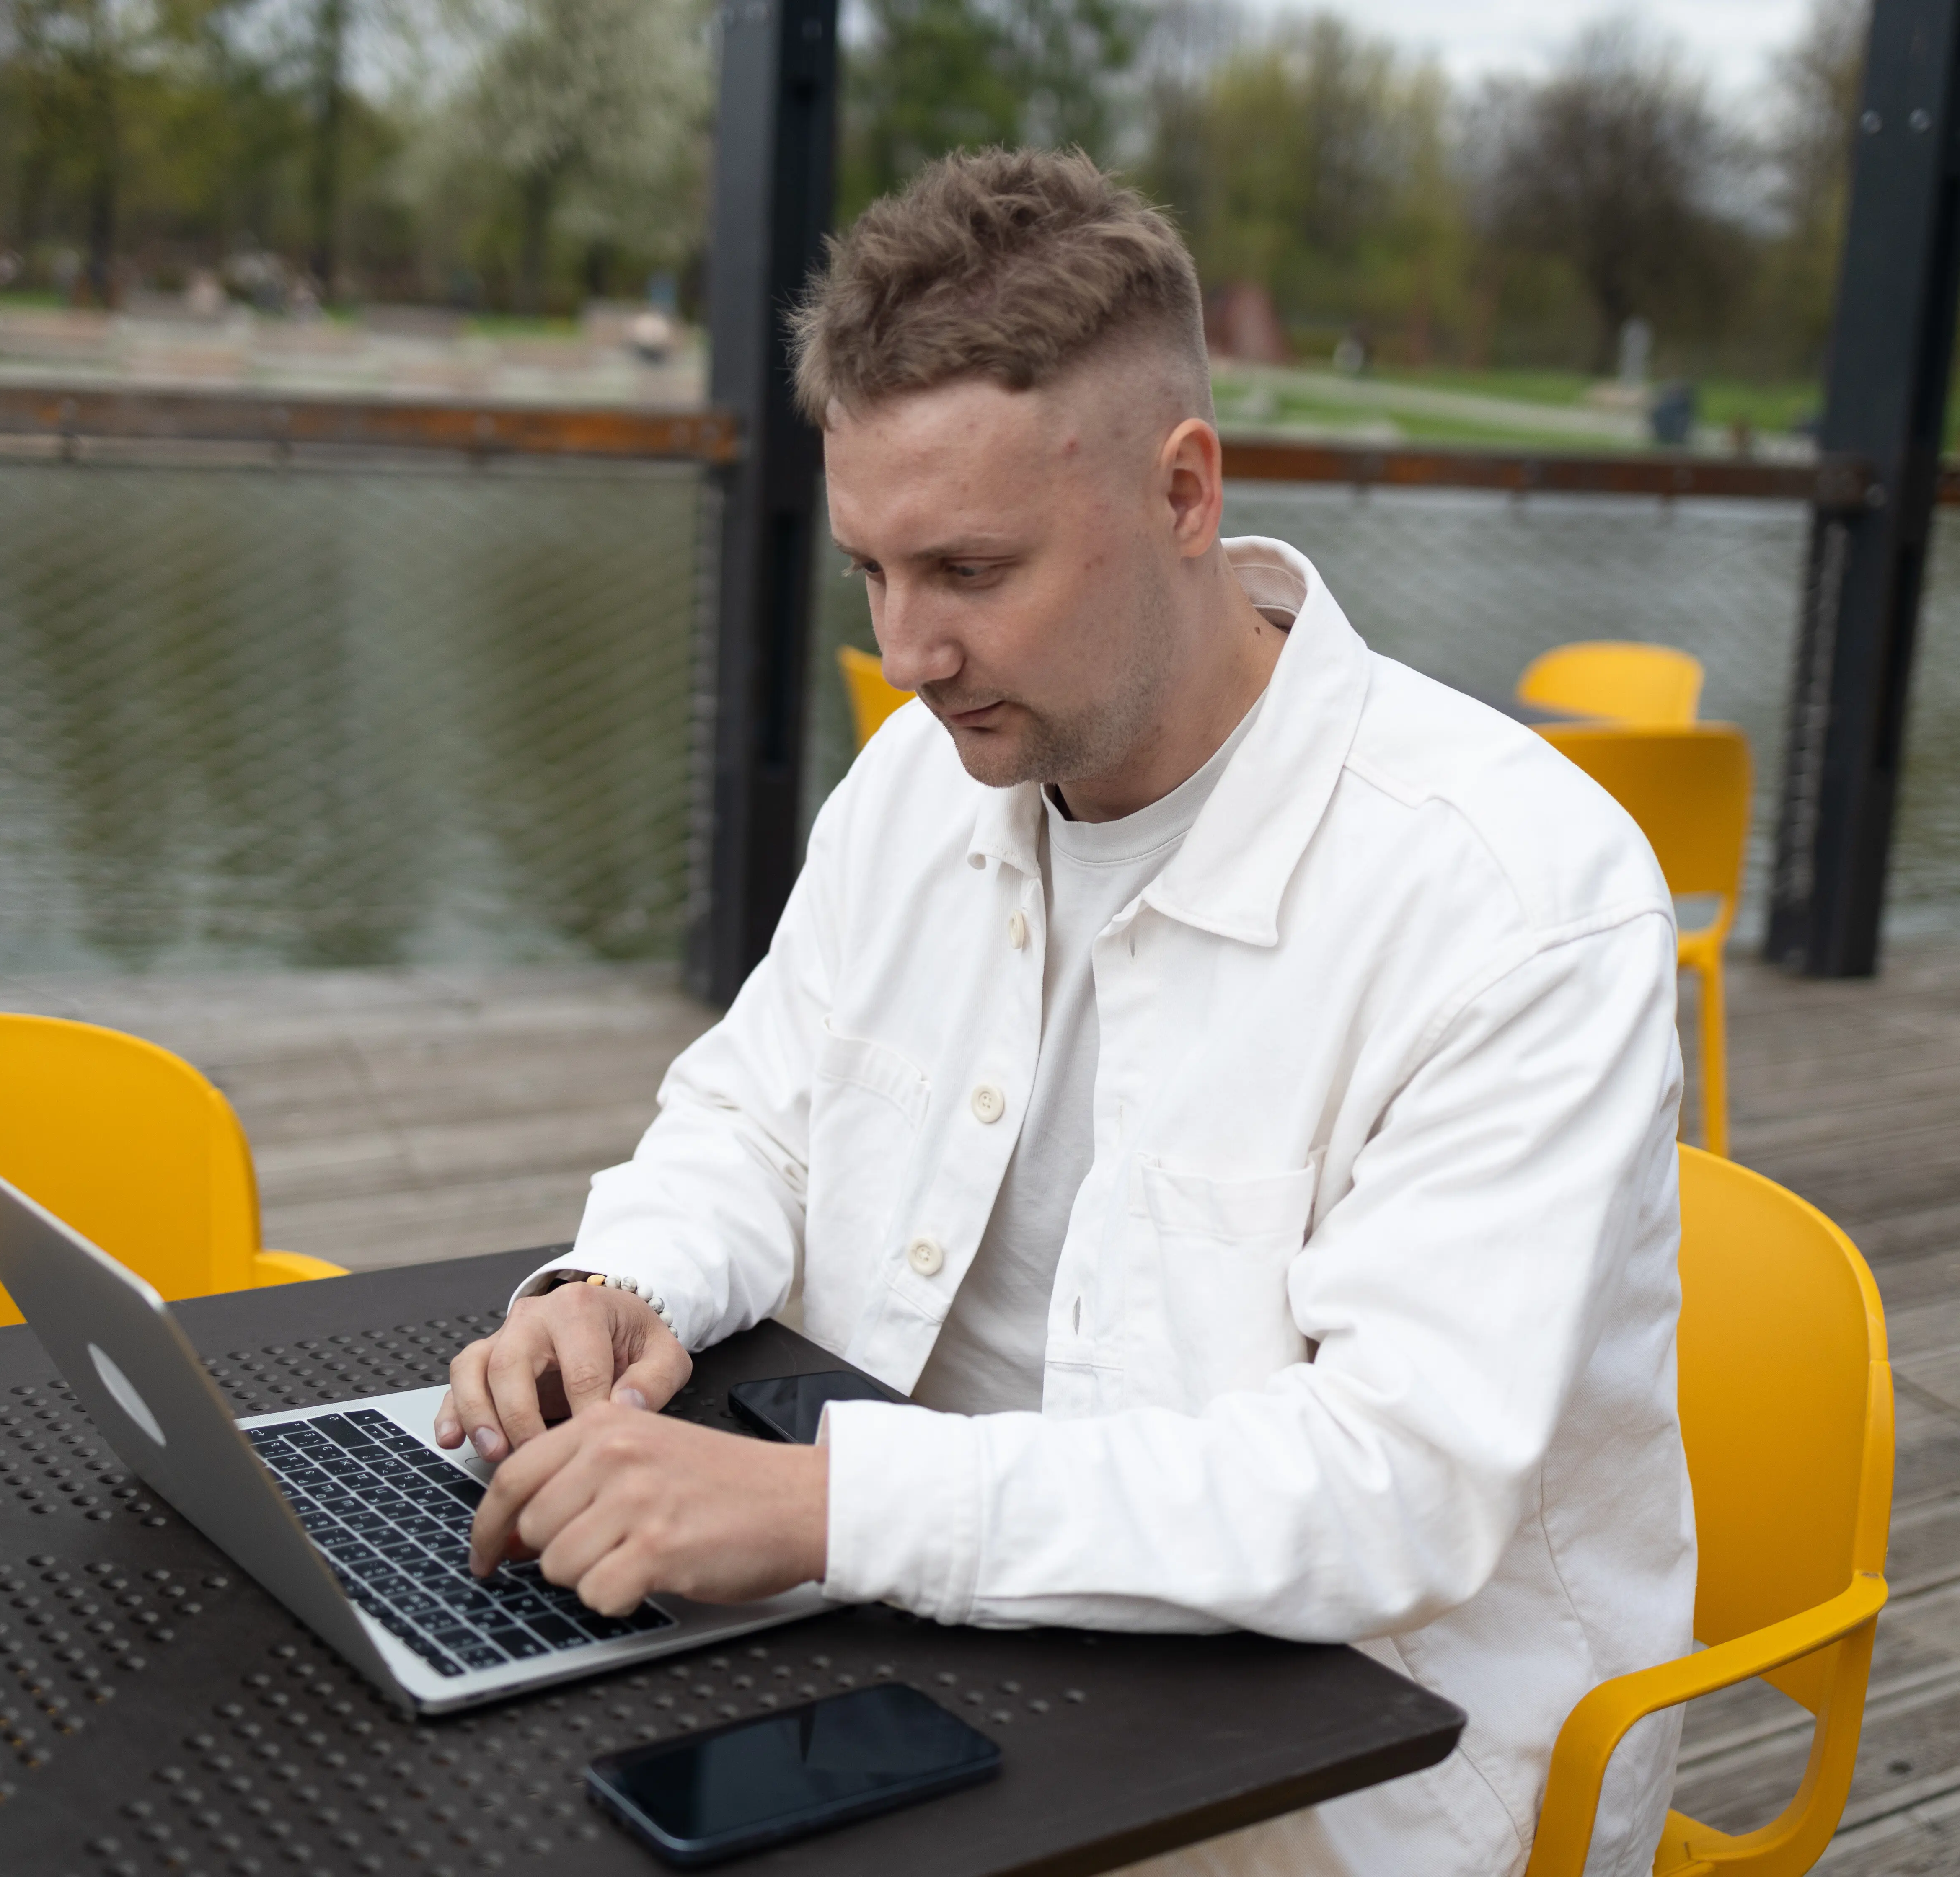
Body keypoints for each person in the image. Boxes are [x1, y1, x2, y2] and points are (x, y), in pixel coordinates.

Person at [436, 148, 1694, 1877]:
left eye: (969, 569)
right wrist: (631, 1280)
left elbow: (1385, 1489)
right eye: (871, 571)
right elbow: (755, 1112)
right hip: (927, 1638)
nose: (909, 649)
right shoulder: (915, 783)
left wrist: (824, 1509)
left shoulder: (1514, 897)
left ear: (1186, 491)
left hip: (1337, 1760)